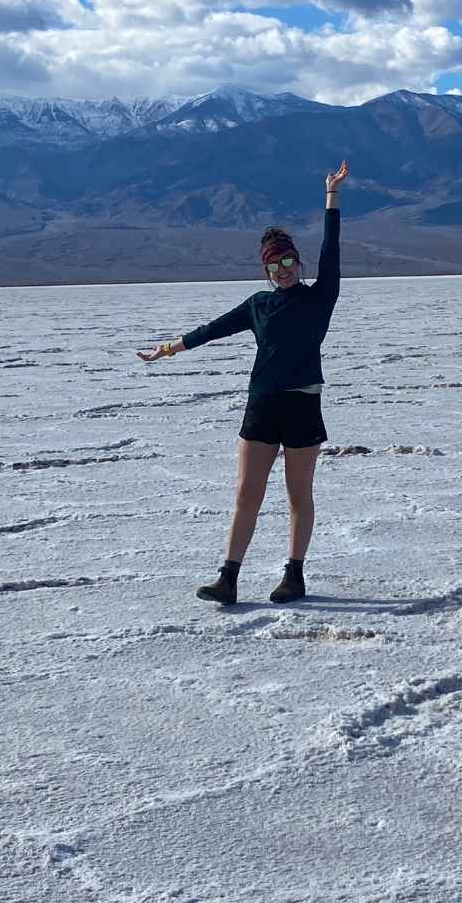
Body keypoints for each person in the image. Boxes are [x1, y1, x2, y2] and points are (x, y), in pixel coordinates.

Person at [138, 160, 349, 606]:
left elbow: (332, 250)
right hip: (262, 407)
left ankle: (294, 575)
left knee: (298, 495)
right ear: (266, 269)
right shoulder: (258, 305)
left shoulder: (319, 296)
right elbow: (212, 329)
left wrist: (331, 196)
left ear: (298, 262)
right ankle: (228, 578)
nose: (284, 269)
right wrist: (169, 348)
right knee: (246, 494)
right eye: (276, 265)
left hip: (303, 407)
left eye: (290, 261)